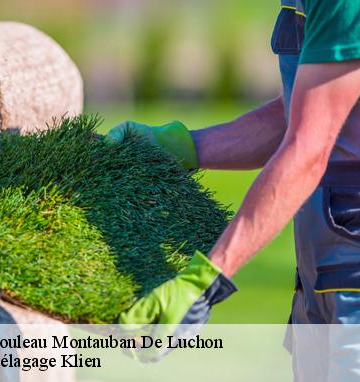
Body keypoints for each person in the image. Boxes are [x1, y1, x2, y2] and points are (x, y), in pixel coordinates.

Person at [109, 0, 360, 376]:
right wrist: (183, 147)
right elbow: (298, 111)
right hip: (322, 275)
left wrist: (205, 280)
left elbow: (307, 149)